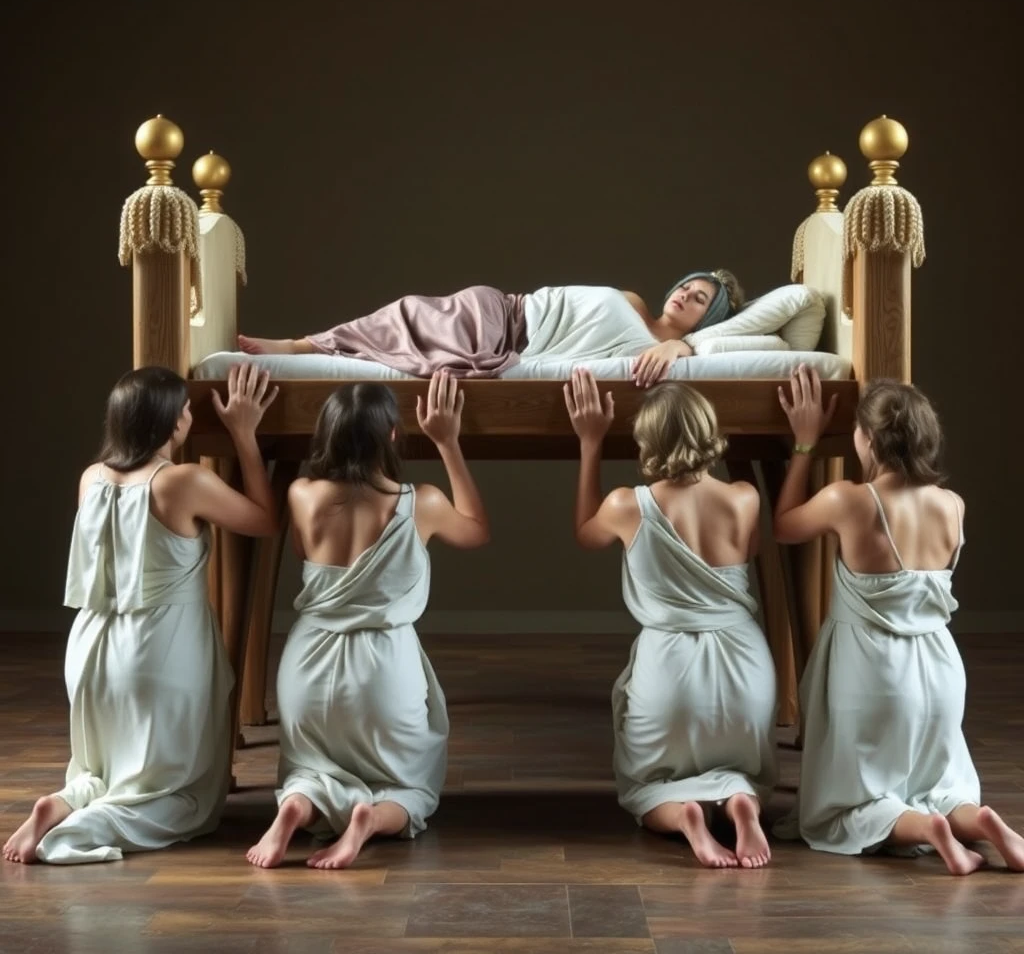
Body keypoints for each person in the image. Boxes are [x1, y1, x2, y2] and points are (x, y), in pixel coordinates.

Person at [2, 363, 279, 864]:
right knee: (185, 798)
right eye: (187, 410)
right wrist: (243, 432)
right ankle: (82, 826)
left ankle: (65, 801)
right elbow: (265, 519)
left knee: (108, 769)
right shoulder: (181, 482)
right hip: (158, 650)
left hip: (90, 649)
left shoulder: (91, 479)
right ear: (174, 423)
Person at [773, 366, 1024, 875]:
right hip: (939, 674)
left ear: (866, 439)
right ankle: (981, 823)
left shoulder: (850, 501)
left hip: (873, 674)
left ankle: (927, 828)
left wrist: (804, 444)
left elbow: (783, 526)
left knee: (847, 808)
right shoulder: (952, 506)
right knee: (939, 784)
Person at [245, 369, 489, 870]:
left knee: (309, 767)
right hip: (381, 670)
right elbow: (477, 531)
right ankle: (371, 819)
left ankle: (296, 805)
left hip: (306, 666)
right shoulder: (420, 503)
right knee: (411, 784)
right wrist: (447, 441)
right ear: (393, 437)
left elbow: (297, 546)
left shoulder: (301, 494)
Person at [563, 368, 777, 868]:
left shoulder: (626, 506)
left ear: (646, 441)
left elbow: (584, 533)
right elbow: (752, 552)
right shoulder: (745, 497)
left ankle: (685, 818)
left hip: (671, 672)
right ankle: (742, 804)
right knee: (744, 772)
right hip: (746, 670)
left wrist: (590, 442)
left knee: (645, 785)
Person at [237, 271, 744, 385]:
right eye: (685, 285)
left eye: (700, 299)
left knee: (411, 335)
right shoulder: (633, 301)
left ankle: (312, 349)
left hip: (512, 345)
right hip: (501, 313)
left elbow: (690, 354)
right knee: (408, 311)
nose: (684, 295)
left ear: (710, 318)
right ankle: (300, 344)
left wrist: (679, 347)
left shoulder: (676, 348)